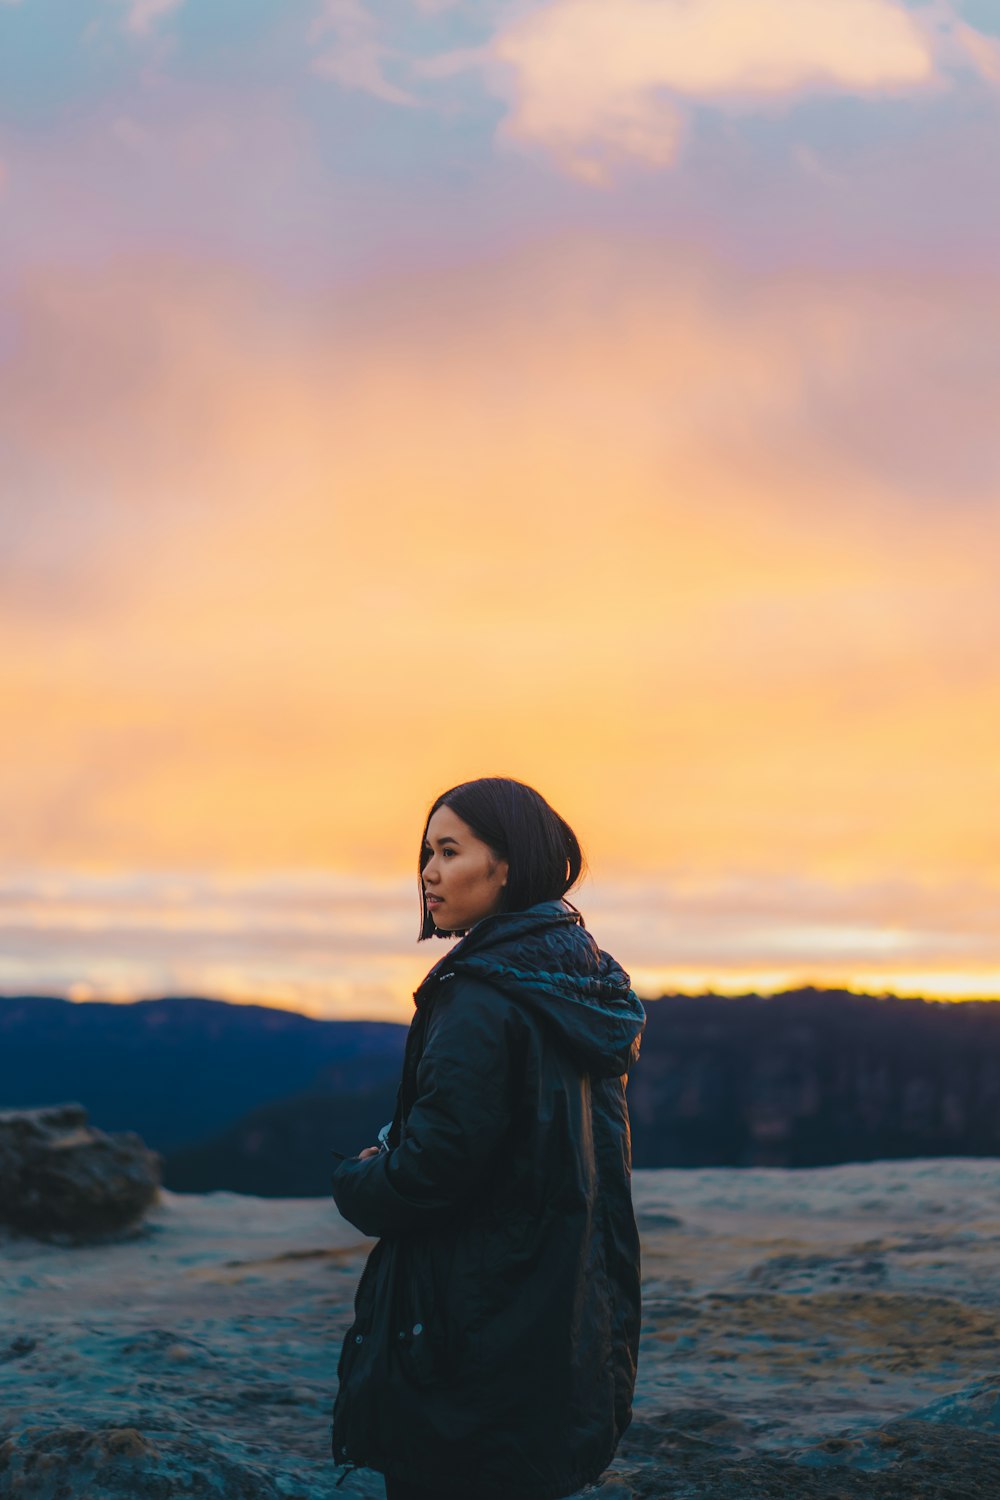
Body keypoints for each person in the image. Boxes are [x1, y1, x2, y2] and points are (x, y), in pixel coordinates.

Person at [329, 777, 646, 1500]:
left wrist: (359, 1177)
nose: (429, 873)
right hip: (558, 1308)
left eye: (449, 851)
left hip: (472, 1320)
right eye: (426, 854)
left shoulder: (480, 997)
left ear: (505, 865)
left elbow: (432, 1172)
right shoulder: (582, 978)